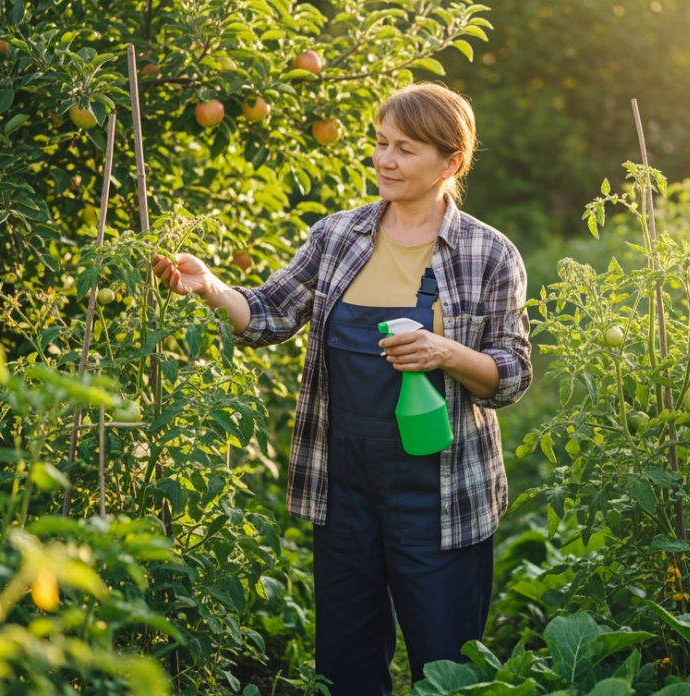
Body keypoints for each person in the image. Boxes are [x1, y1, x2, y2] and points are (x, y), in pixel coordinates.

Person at [150, 82, 532, 694]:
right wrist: (211, 287)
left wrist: (447, 353)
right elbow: (269, 313)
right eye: (381, 143)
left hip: (440, 495)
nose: (385, 160)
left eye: (405, 149)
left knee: (449, 669)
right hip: (344, 490)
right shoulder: (337, 238)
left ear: (451, 162)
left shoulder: (488, 254)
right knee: (347, 668)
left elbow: (510, 373)